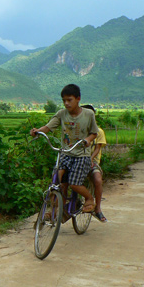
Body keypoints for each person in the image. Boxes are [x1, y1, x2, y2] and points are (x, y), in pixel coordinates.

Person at [30, 84, 98, 213]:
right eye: (64, 101)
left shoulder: (88, 114)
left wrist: (88, 140)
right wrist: (38, 131)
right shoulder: (62, 114)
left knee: (74, 184)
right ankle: (56, 209)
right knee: (57, 180)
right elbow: (48, 127)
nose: (66, 103)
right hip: (65, 153)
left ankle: (89, 198)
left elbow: (94, 133)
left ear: (78, 99)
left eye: (69, 100)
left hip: (81, 155)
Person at [82, 104, 108, 223]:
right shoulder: (79, 130)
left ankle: (97, 208)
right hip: (78, 161)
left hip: (92, 162)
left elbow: (97, 149)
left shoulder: (98, 131)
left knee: (97, 180)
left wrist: (90, 159)